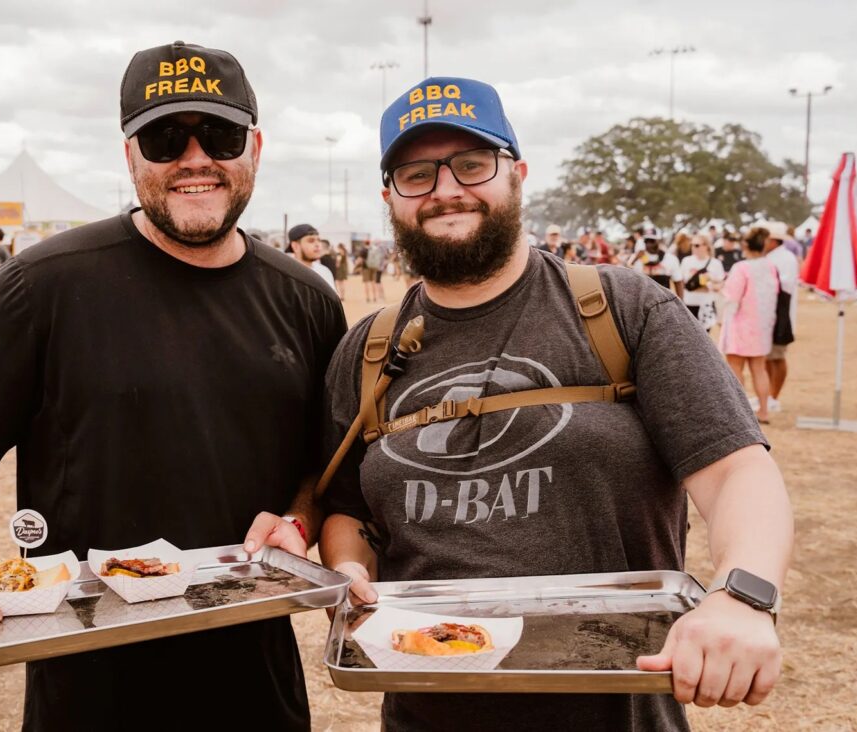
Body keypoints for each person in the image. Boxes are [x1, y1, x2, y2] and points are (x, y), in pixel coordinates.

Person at [0, 41, 346, 732]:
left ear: (255, 146)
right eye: (164, 137)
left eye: (218, 134)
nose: (195, 158)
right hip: (87, 686)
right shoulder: (41, 287)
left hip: (256, 680)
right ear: (130, 156)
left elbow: (322, 465)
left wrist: (301, 518)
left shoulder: (307, 300)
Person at [320, 77, 791, 732]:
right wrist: (348, 567)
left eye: (472, 164)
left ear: (517, 173)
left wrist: (743, 595)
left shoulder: (624, 307)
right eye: (417, 174)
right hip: (425, 711)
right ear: (389, 197)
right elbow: (347, 511)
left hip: (617, 714)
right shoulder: (366, 349)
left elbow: (738, 470)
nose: (446, 190)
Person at [719, 228, 779, 423]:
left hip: (740, 323)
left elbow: (732, 297)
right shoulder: (770, 267)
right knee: (759, 369)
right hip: (762, 324)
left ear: (745, 245)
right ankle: (763, 410)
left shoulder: (741, 268)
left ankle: (740, 413)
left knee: (735, 368)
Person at [763, 222, 798, 414]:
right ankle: (769, 394)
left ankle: (775, 395)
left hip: (780, 313)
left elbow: (785, 285)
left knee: (778, 356)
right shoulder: (770, 257)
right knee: (767, 356)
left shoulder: (786, 258)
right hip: (768, 313)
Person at [679, 232, 725, 330]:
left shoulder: (715, 263)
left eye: (696, 245)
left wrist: (710, 283)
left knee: (705, 337)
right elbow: (681, 282)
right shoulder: (686, 261)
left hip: (706, 305)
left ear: (706, 246)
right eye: (692, 245)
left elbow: (721, 284)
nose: (693, 248)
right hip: (689, 303)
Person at [288, 223, 336, 290]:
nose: (317, 244)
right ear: (295, 246)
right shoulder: (285, 273)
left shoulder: (324, 271)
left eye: (319, 240)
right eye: (311, 241)